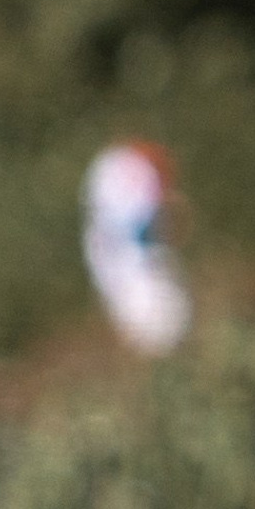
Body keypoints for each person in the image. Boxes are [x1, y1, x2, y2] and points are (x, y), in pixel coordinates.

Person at [82, 139, 191, 356]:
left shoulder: (109, 168)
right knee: (161, 328)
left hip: (120, 267)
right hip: (137, 272)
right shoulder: (126, 171)